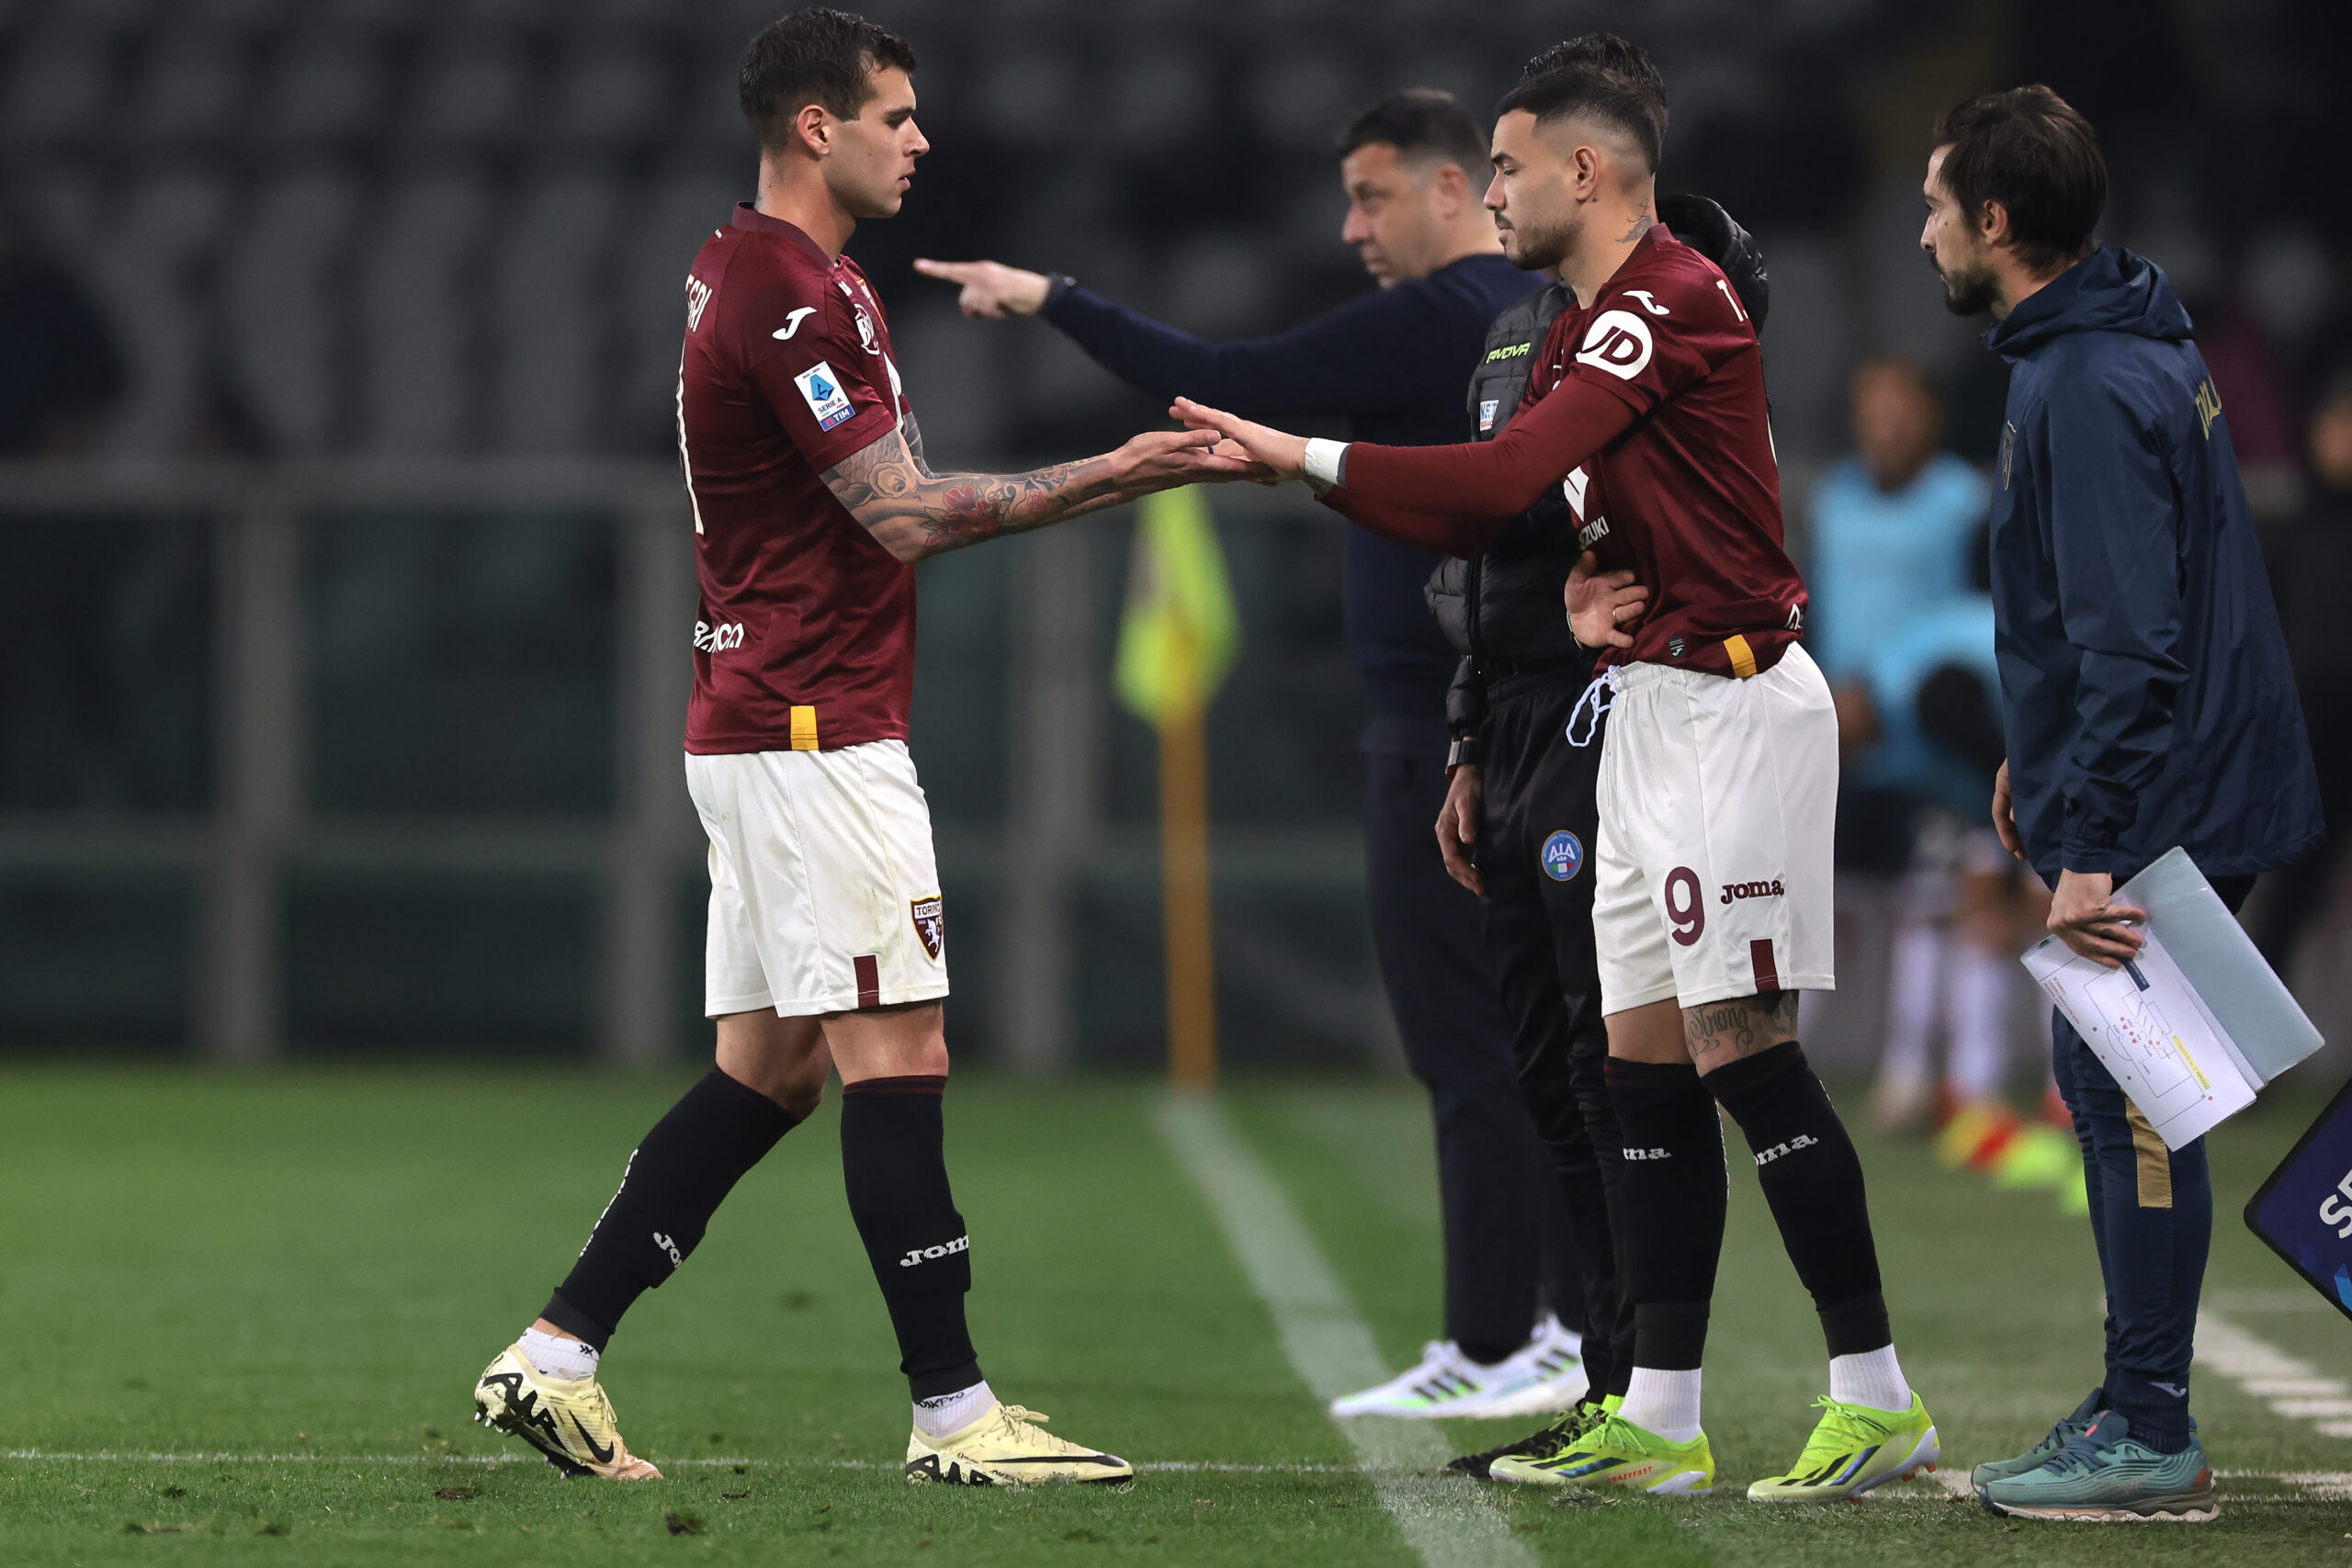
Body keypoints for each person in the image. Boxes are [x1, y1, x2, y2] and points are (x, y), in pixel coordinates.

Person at [470, 8, 1253, 1488]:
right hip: (813, 728)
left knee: (769, 1069)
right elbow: (901, 513)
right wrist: (1124, 467)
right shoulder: (789, 294)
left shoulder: (766, 265)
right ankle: (954, 1412)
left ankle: (555, 1354)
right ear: (816, 126)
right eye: (896, 114)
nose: (921, 139)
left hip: (763, 718)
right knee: (903, 1048)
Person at [1179, 43, 1938, 1503]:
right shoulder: (1578, 325)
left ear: (1584, 171)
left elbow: (1493, 483)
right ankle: (1658, 1412)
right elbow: (1522, 518)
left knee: (1745, 1050)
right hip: (1641, 708)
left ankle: (1876, 1393)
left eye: (1510, 167)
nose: (1495, 193)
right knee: (1632, 1068)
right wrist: (1537, 642)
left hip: (1732, 707)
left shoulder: (1663, 300)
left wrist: (1295, 451)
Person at [915, 94, 1590, 1420]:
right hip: (1500, 707)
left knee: (1473, 1040)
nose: (1351, 228)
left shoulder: (1443, 314)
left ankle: (1511, 1337)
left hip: (1445, 724)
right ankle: (1549, 1325)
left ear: (1451, 188)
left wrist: (1054, 298)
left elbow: (1223, 374)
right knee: (1524, 1033)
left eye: (1372, 196)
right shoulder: (1520, 320)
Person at [1921, 84, 2324, 1522]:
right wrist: (2039, 756)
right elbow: (2118, 611)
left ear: (1997, 220)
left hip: (2170, 795)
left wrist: (2090, 844)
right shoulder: (2130, 335)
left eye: (1936, 206)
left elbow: (2136, 640)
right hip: (2183, 769)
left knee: (2129, 1093)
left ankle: (2149, 1424)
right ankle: (2134, 1403)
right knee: (2125, 1090)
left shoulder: (2083, 380)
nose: (1923, 235)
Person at [2254, 371, 2352, 975]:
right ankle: (2252, 1031)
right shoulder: (2288, 534)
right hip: (2308, 742)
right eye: (2337, 425)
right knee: (2287, 899)